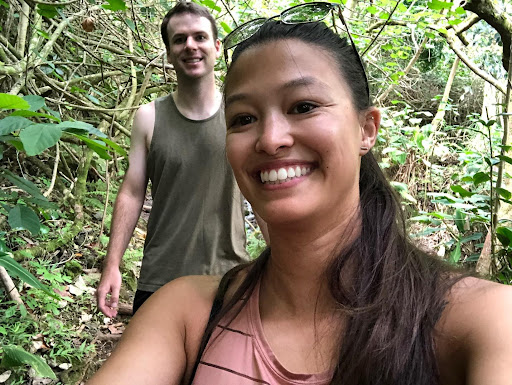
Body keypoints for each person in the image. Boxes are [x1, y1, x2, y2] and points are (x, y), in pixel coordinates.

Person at [88, 4, 512, 385]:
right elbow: (131, 190)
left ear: (367, 129)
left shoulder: (475, 320)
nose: (271, 139)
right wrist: (113, 265)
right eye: (244, 118)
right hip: (173, 274)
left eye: (304, 106)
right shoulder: (181, 314)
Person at [96, 2, 251, 318]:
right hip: (159, 279)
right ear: (168, 54)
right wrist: (112, 265)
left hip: (227, 278)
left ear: (217, 47)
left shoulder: (241, 115)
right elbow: (132, 191)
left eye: (200, 37)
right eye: (179, 39)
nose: (190, 46)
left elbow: (262, 190)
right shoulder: (148, 117)